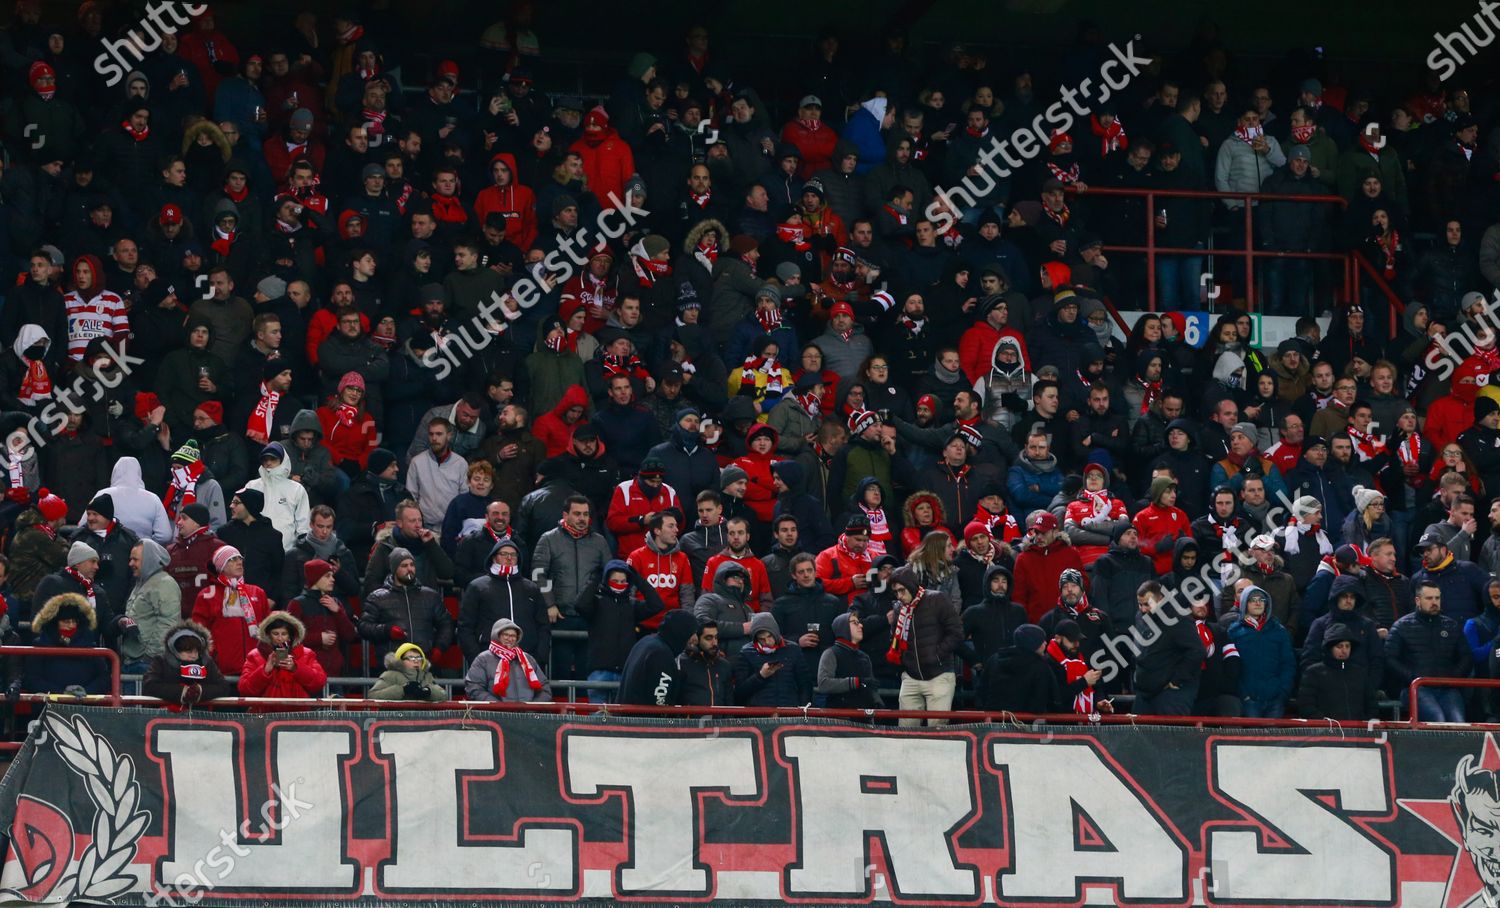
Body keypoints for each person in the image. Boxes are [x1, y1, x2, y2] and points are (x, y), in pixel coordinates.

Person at [576, 560, 664, 702]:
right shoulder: (596, 604)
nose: (619, 584)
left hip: (625, 672)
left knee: (622, 720)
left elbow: (656, 605)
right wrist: (596, 579)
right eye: (615, 580)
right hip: (599, 671)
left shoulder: (632, 605)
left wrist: (638, 579)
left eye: (623, 581)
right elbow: (580, 605)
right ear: (606, 580)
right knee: (597, 722)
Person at [1386, 580, 1472, 722]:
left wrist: (1453, 677)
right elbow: (1390, 659)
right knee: (1437, 719)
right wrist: (1412, 677)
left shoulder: (1451, 626)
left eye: (1437, 598)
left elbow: (1466, 657)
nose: (1434, 602)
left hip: (1448, 688)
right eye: (1429, 598)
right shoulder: (1401, 627)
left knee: (1459, 722)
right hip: (1416, 688)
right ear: (1417, 600)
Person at [887, 566, 962, 725]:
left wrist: (936, 656)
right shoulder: (899, 608)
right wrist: (905, 664)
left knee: (937, 733)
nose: (899, 596)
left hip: (939, 675)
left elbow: (956, 633)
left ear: (911, 586)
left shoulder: (937, 599)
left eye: (902, 590)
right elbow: (895, 638)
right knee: (905, 733)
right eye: (896, 592)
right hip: (911, 677)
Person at [358, 547, 454, 661]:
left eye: (412, 565)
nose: (410, 569)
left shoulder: (430, 596)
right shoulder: (377, 597)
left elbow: (446, 624)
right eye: (404, 566)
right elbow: (364, 627)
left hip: (424, 660)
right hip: (393, 664)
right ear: (394, 569)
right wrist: (387, 630)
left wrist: (439, 647)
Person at [191, 546, 269, 676]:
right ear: (221, 566)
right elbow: (198, 633)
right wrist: (212, 659)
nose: (239, 562)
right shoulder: (207, 595)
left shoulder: (258, 592)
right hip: (221, 671)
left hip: (257, 670)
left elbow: (268, 630)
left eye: (240, 558)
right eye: (232, 559)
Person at [1131, 581, 1205, 715]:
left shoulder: (1178, 618)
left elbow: (1197, 651)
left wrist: (1176, 679)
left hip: (1171, 694)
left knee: (1170, 735)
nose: (1143, 609)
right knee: (1136, 734)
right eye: (1140, 604)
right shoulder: (1140, 617)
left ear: (1161, 599)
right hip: (1144, 692)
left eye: (1147, 604)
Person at [20, 593, 110, 696]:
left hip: (83, 707)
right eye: (66, 622)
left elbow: (104, 678)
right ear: (55, 623)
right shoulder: (41, 645)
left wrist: (86, 692)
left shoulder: (89, 645)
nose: (71, 625)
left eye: (74, 621)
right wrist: (60, 693)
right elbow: (32, 679)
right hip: (50, 706)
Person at [1227, 585, 1295, 718]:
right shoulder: (1233, 632)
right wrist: (1243, 694)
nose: (1258, 603)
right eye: (1252, 600)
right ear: (1244, 603)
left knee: (1274, 739)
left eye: (1262, 599)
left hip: (1275, 699)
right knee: (1252, 738)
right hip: (1248, 699)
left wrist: (1283, 692)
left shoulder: (1279, 631)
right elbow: (1231, 667)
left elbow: (1288, 663)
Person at [287, 558, 359, 677]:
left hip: (335, 674)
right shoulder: (297, 604)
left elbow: (350, 635)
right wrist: (319, 638)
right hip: (308, 674)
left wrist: (338, 612)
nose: (333, 579)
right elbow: (290, 638)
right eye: (327, 576)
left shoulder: (335, 603)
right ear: (315, 578)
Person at [141, 621, 237, 706]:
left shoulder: (207, 662)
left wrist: (199, 691)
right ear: (176, 650)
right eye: (188, 652)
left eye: (196, 651)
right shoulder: (161, 661)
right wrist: (182, 692)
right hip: (164, 717)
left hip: (200, 717)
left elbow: (223, 687)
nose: (193, 656)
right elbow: (149, 686)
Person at [121, 540, 180, 675]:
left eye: (135, 560)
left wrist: (149, 657)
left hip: (147, 664)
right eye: (130, 559)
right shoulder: (141, 582)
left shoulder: (165, 584)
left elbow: (168, 624)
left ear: (149, 559)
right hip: (133, 661)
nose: (130, 564)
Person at [618, 608, 700, 706]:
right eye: (692, 633)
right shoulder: (661, 655)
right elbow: (659, 704)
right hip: (641, 719)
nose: (695, 639)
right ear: (681, 631)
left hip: (629, 716)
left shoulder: (647, 642)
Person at [237, 611, 328, 698]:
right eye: (275, 634)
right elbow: (244, 689)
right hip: (265, 712)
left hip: (297, 712)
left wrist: (296, 668)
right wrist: (264, 670)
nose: (280, 638)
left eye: (284, 634)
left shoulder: (306, 654)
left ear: (290, 636)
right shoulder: (255, 655)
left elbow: (319, 682)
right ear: (268, 634)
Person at [1296, 624, 1378, 720]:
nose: (1344, 650)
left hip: (1356, 731)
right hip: (1325, 731)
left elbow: (1372, 705)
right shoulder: (1314, 673)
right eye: (1339, 646)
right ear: (1330, 648)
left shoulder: (1360, 673)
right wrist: (1325, 723)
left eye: (1347, 646)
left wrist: (1364, 722)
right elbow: (1306, 705)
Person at [730, 612, 812, 707]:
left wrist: (803, 709)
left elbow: (805, 684)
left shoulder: (793, 650)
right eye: (762, 639)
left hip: (789, 712)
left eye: (769, 636)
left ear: (776, 633)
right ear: (756, 638)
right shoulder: (746, 653)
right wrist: (760, 676)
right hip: (759, 715)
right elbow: (739, 692)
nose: (767, 642)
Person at [979, 624, 1063, 713]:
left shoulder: (994, 659)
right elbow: (1044, 699)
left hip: (993, 719)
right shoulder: (1040, 667)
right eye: (1042, 640)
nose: (1045, 643)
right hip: (1024, 723)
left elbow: (982, 690)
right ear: (1033, 643)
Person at [464, 618, 552, 703]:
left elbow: (544, 689)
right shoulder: (483, 659)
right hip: (495, 715)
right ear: (496, 635)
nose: (510, 639)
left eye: (513, 636)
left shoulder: (528, 659)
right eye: (506, 635)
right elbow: (474, 687)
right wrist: (497, 706)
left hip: (528, 714)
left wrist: (533, 707)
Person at [814, 611, 879, 709]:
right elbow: (824, 684)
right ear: (842, 627)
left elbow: (870, 686)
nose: (861, 625)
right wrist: (855, 682)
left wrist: (877, 702)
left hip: (863, 716)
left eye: (859, 622)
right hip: (839, 717)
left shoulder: (864, 657)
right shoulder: (831, 653)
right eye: (855, 623)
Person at [370, 642, 449, 701]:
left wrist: (428, 692)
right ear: (400, 660)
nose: (416, 661)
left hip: (423, 721)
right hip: (395, 720)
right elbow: (372, 696)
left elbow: (444, 695)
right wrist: (402, 690)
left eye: (419, 658)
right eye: (411, 658)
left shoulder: (427, 676)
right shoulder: (390, 675)